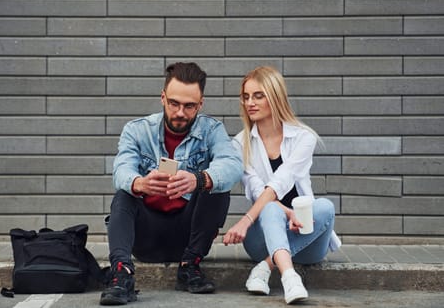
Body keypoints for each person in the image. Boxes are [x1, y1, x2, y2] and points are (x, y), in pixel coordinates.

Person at [100, 62, 243, 305]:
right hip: (145, 237)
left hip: (188, 237)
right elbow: (121, 169)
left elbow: (232, 165)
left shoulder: (212, 130)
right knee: (124, 193)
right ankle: (122, 273)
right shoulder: (137, 130)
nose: (180, 112)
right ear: (163, 97)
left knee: (215, 185)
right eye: (174, 103)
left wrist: (198, 179)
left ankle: (190, 267)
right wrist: (139, 183)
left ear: (201, 104)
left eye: (189, 106)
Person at [223, 66, 341, 305]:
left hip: (306, 238)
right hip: (261, 240)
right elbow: (259, 192)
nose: (250, 103)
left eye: (258, 95)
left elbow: (281, 181)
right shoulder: (240, 144)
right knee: (269, 207)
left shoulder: (303, 138)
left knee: (325, 207)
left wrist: (245, 220)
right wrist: (287, 213)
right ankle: (290, 277)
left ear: (275, 96)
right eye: (246, 97)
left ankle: (265, 268)